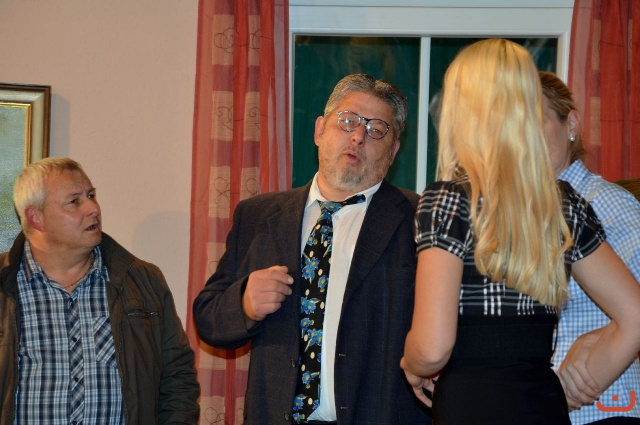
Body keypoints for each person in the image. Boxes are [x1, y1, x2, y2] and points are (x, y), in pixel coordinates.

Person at [400, 38, 640, 425]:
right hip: (544, 405)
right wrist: (580, 384)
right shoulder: (563, 202)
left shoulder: (448, 200)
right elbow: (635, 315)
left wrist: (411, 364)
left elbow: (432, 349)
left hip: (471, 408)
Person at [193, 74, 430, 425]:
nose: (358, 136)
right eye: (347, 121)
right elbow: (208, 318)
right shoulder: (258, 216)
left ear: (393, 151)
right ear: (320, 130)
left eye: (376, 130)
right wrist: (244, 303)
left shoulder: (421, 220)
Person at [0, 157, 200, 425]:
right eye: (74, 201)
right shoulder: (6, 285)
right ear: (35, 217)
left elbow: (178, 377)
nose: (93, 208)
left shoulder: (142, 281)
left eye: (91, 196)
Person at [541, 70, 640, 424]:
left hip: (600, 408)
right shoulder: (523, 215)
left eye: (537, 121)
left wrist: (592, 341)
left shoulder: (608, 203)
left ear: (571, 124)